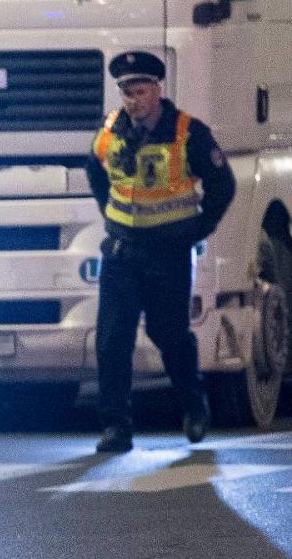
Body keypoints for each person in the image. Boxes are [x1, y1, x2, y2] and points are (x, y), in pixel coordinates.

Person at [86, 50, 235, 453]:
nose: (132, 100)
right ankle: (116, 428)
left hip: (167, 254)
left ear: (157, 90)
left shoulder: (188, 133)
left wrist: (197, 229)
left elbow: (223, 187)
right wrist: (111, 216)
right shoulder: (111, 130)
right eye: (126, 92)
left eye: (140, 91)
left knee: (167, 333)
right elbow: (96, 173)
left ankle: (194, 406)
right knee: (113, 338)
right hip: (121, 252)